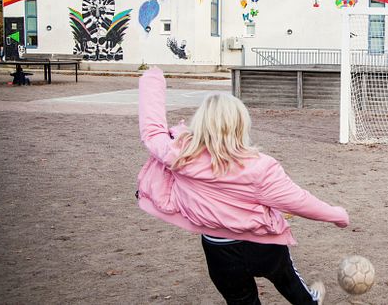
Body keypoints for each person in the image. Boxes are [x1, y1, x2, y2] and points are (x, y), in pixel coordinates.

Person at [137, 67, 348, 304]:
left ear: (200, 123)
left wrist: (152, 79)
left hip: (218, 251)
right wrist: (337, 215)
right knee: (287, 279)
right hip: (263, 246)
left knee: (241, 299)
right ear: (241, 125)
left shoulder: (178, 155)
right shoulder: (260, 167)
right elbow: (298, 201)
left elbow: (152, 129)